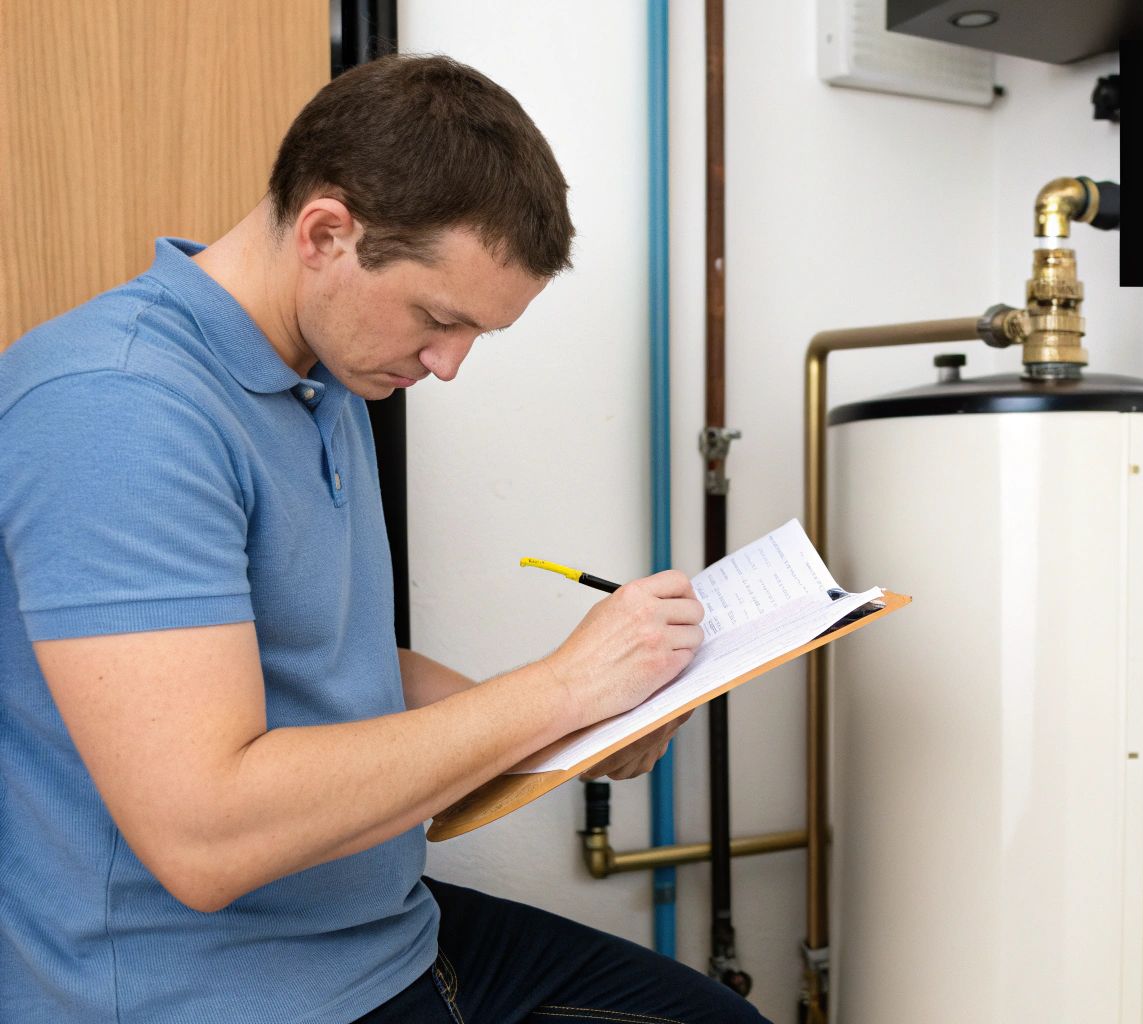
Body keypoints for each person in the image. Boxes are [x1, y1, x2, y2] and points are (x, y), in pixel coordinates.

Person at [0, 54, 767, 1023]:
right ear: (327, 232)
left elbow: (340, 666)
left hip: (384, 931)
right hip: (219, 989)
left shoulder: (328, 371)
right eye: (439, 321)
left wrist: (584, 722)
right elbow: (207, 836)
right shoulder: (117, 411)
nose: (447, 366)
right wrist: (561, 687)